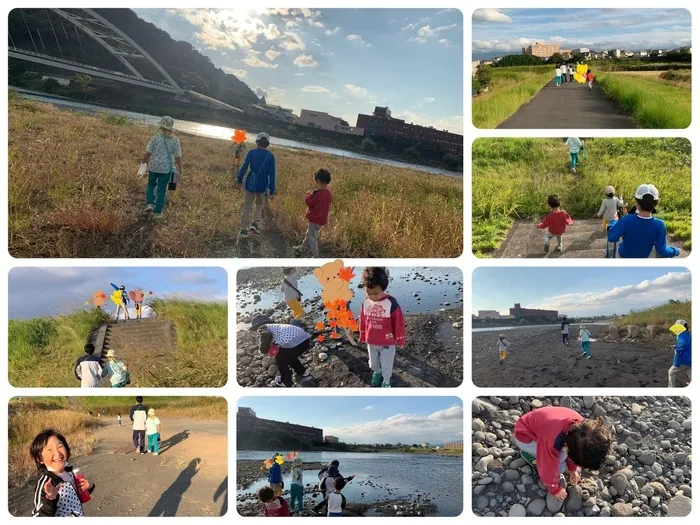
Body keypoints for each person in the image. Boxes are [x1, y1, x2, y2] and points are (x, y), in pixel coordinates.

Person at [513, 406, 612, 502]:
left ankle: (541, 453)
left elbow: (575, 448)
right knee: (559, 465)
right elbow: (547, 468)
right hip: (524, 436)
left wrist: (573, 469)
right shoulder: (552, 441)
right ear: (568, 447)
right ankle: (528, 455)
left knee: (562, 458)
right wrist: (554, 489)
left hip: (541, 426)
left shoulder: (584, 428)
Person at [359, 267, 406, 388]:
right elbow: (363, 320)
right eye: (369, 293)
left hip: (387, 342)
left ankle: (386, 381)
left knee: (387, 365)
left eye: (376, 293)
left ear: (383, 288)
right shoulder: (365, 302)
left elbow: (399, 322)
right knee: (372, 364)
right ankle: (377, 372)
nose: (372, 297)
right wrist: (363, 333)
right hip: (371, 341)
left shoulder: (391, 303)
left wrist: (400, 338)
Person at [30, 429, 95, 517]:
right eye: (49, 449)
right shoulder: (46, 483)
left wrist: (89, 486)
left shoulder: (70, 473)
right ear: (39, 459)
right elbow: (38, 516)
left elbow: (75, 497)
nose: (57, 453)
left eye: (60, 446)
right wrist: (50, 499)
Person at [607, 184, 680, 258]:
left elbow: (612, 238)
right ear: (655, 205)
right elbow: (661, 249)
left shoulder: (627, 219)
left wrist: (613, 222)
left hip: (623, 257)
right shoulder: (660, 225)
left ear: (637, 204)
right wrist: (675, 251)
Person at [251, 315, 311, 387]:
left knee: (280, 359)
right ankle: (302, 371)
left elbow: (266, 336)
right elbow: (277, 340)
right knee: (288, 355)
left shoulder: (262, 328)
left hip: (295, 343)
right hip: (304, 340)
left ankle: (286, 381)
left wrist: (263, 349)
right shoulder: (274, 327)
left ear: (256, 327)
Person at [141, 116, 182, 219]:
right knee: (161, 189)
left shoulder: (155, 138)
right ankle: (158, 212)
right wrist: (180, 168)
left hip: (154, 166)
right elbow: (177, 156)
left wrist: (143, 162)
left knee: (151, 184)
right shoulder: (175, 140)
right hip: (166, 169)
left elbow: (148, 152)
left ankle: (150, 203)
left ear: (161, 127)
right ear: (171, 128)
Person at [237, 132, 276, 238]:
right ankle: (255, 224)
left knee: (247, 206)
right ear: (267, 144)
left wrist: (239, 179)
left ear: (257, 142)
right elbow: (272, 175)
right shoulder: (270, 156)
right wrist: (272, 190)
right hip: (263, 186)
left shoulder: (251, 152)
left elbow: (244, 167)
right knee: (259, 205)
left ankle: (244, 230)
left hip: (250, 183)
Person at [294, 168, 333, 258]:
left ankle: (316, 256)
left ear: (318, 181)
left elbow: (308, 202)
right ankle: (301, 248)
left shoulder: (317, 193)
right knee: (309, 234)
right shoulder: (328, 194)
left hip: (314, 218)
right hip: (322, 219)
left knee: (312, 237)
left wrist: (309, 195)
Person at [669, 319, 691, 387]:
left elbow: (683, 344)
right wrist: (677, 346)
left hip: (683, 360)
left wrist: (676, 348)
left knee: (671, 372)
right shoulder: (688, 334)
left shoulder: (682, 335)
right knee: (689, 372)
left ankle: (671, 388)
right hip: (690, 359)